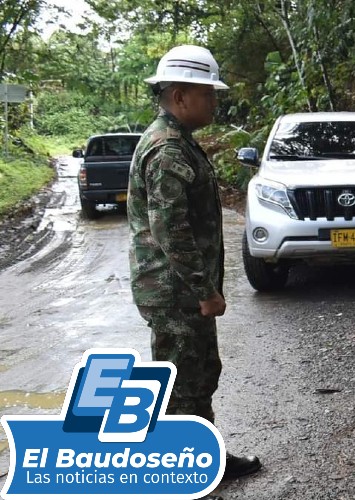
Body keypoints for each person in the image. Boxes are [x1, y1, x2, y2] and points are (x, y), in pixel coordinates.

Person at [128, 45, 262, 496]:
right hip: (176, 290)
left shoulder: (178, 140)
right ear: (180, 95)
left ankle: (203, 459)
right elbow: (171, 231)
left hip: (179, 288)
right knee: (183, 381)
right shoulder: (166, 149)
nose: (215, 103)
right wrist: (206, 289)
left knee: (197, 374)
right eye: (208, 94)